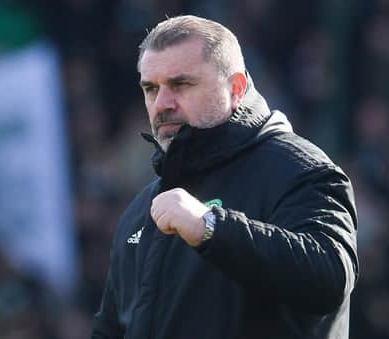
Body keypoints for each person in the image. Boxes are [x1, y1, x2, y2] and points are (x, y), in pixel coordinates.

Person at [91, 15, 358, 339]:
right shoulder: (140, 212)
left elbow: (329, 277)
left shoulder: (300, 169)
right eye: (151, 88)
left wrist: (211, 227)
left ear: (236, 88)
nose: (162, 104)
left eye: (181, 84)